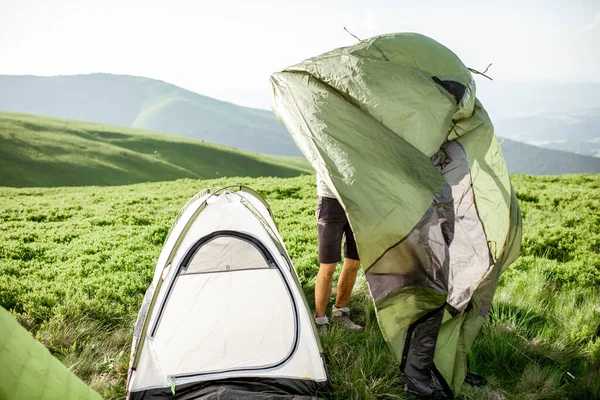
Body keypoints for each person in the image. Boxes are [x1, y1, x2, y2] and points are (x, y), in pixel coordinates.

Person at [314, 171, 364, 334]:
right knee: (328, 266)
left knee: (354, 262)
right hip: (330, 202)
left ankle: (340, 312)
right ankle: (320, 320)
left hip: (358, 202)